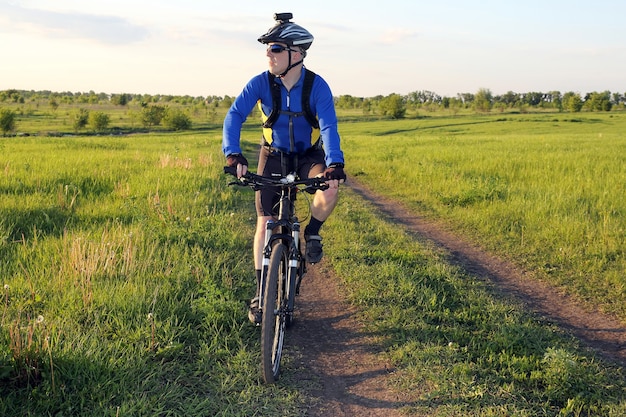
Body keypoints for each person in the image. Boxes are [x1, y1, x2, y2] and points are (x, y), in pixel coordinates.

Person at [222, 12, 346, 324]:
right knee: (265, 223)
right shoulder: (260, 83)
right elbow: (234, 116)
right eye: (268, 48)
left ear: (297, 54)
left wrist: (334, 164)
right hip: (273, 155)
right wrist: (233, 155)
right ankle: (261, 293)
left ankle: (312, 232)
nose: (269, 54)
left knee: (330, 187)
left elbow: (329, 127)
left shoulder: (317, 87)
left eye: (276, 48)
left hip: (307, 157)